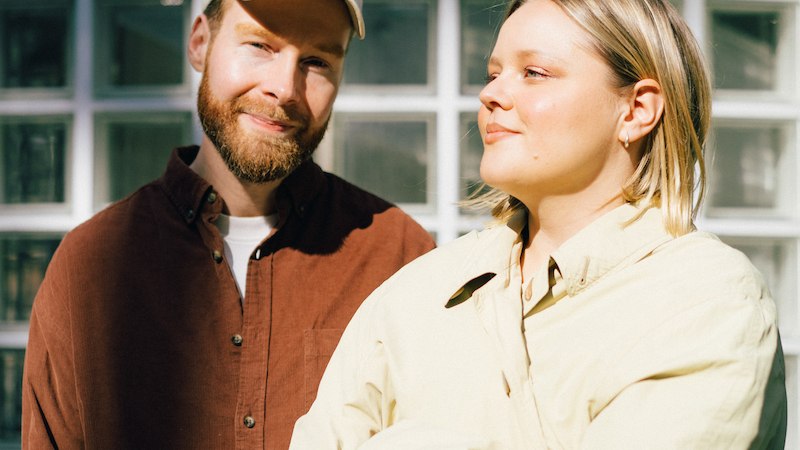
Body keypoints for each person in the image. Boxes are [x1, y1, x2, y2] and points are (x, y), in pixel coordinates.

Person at [290, 0, 787, 448]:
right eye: (493, 73)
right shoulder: (416, 293)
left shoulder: (707, 301)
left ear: (637, 110)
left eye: (534, 72)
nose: (491, 94)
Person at [21, 0, 435, 448]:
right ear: (200, 43)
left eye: (316, 61)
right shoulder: (90, 265)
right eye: (259, 45)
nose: (284, 89)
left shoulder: (401, 259)